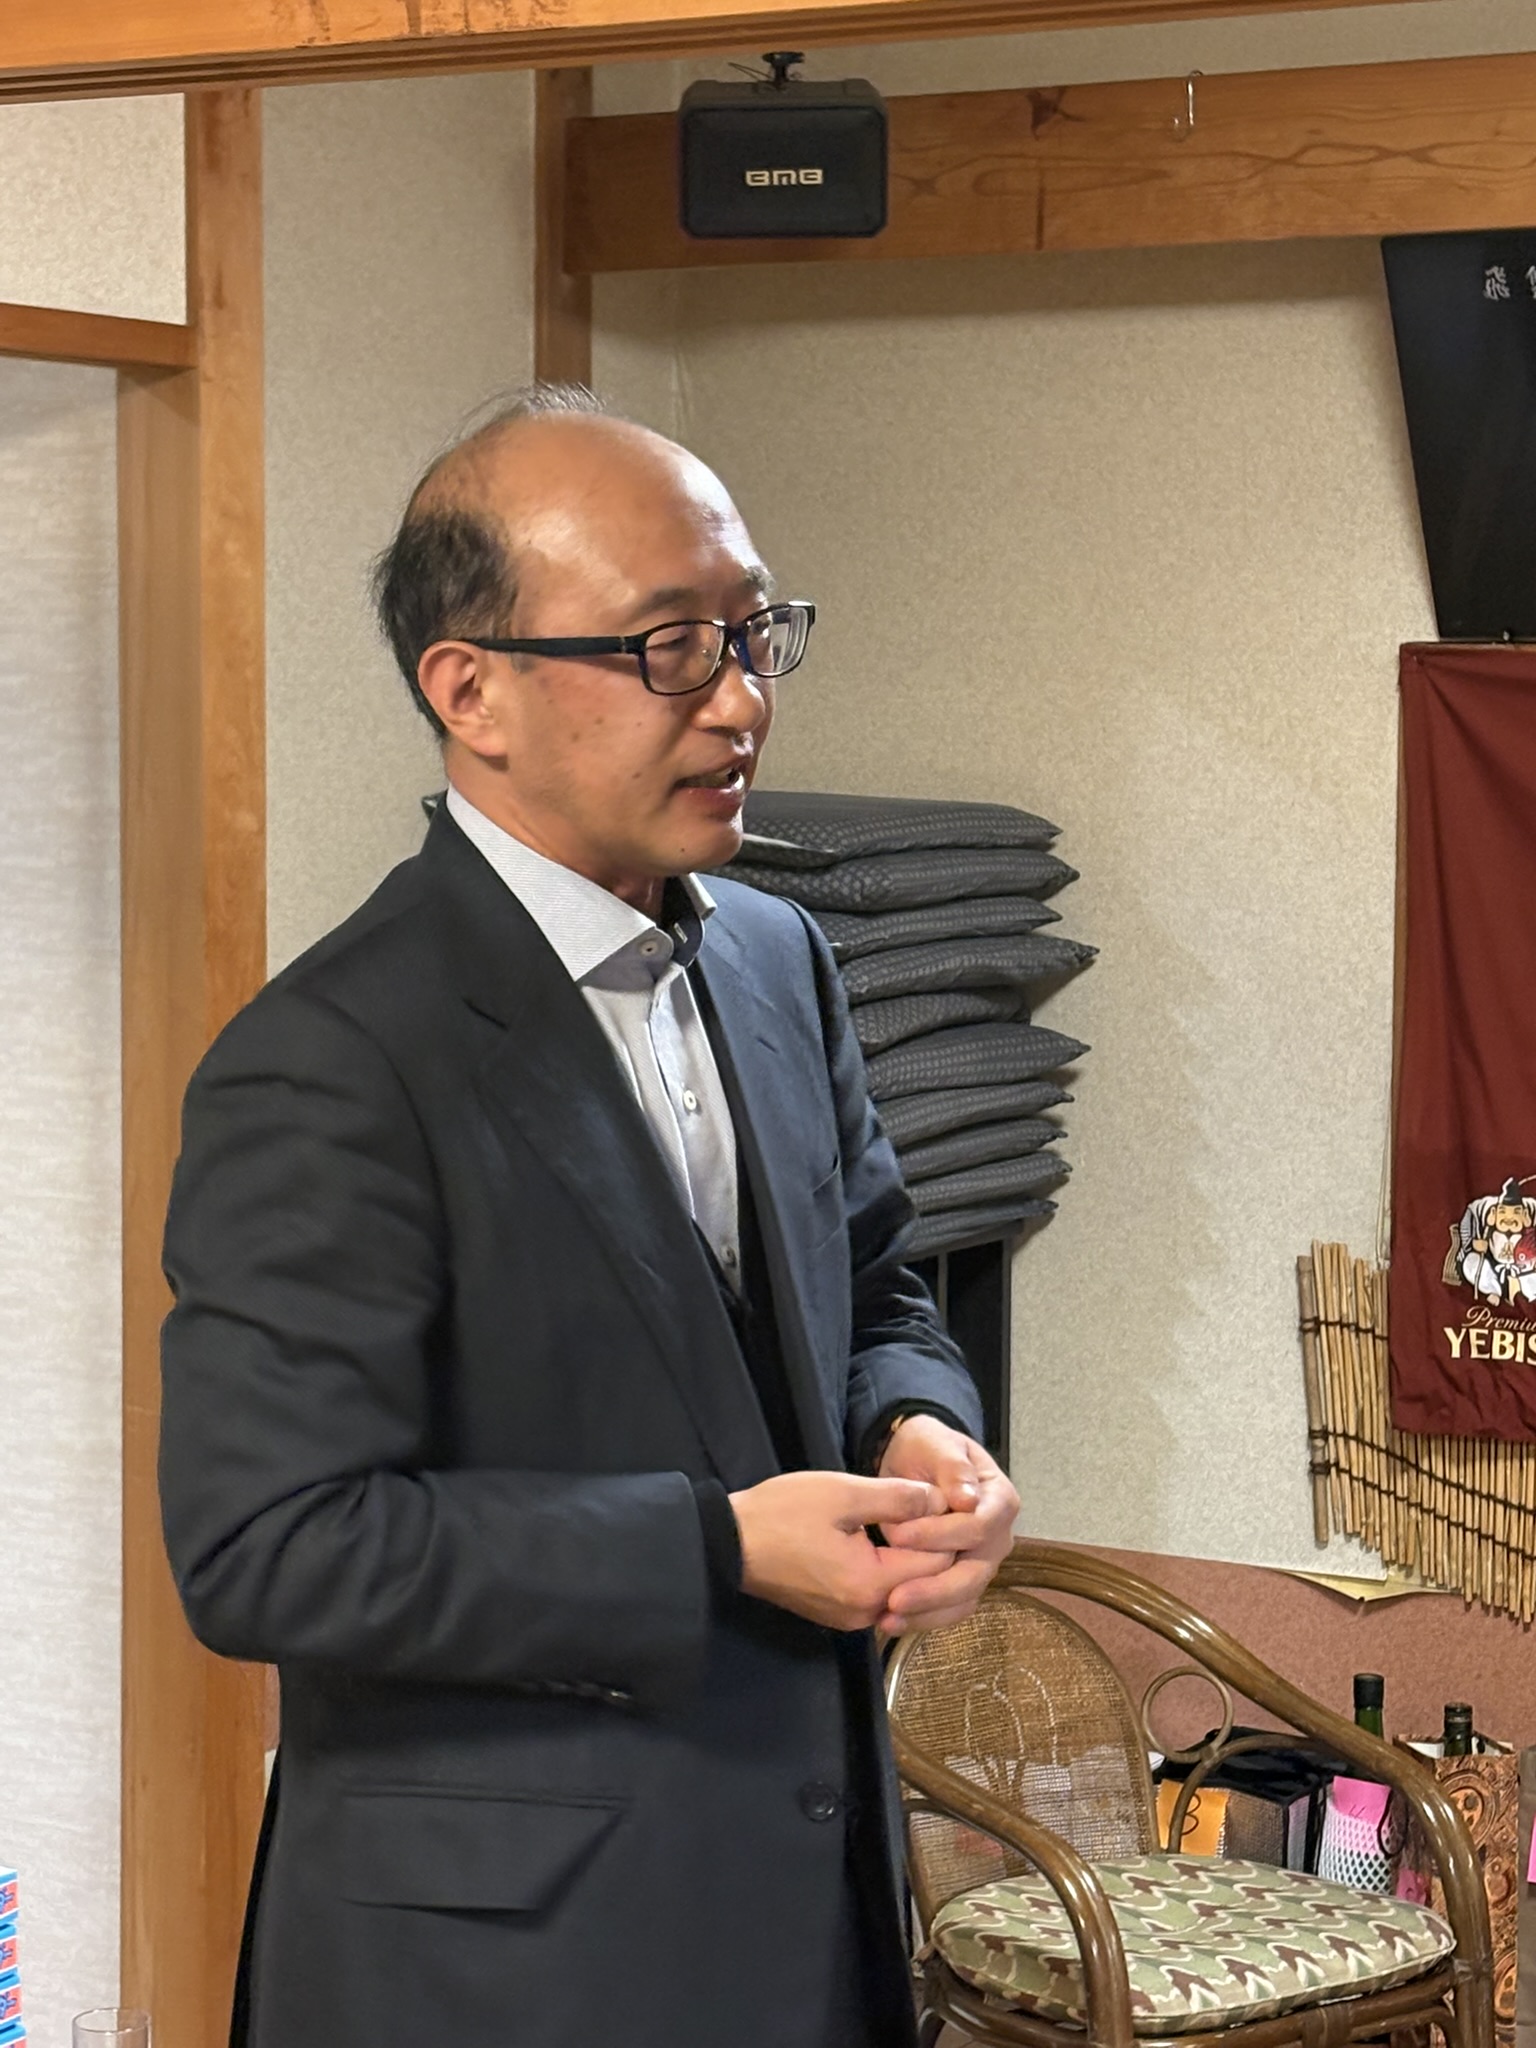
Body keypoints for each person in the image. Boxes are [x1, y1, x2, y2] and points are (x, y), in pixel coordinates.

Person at [158, 384, 1020, 2048]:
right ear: (469, 690)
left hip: (810, 1911)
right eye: (669, 647)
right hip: (500, 1971)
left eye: (754, 633)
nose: (741, 697)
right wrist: (716, 1547)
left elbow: (875, 1289)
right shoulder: (330, 1057)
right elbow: (268, 1548)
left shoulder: (778, 955)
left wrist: (919, 1425)